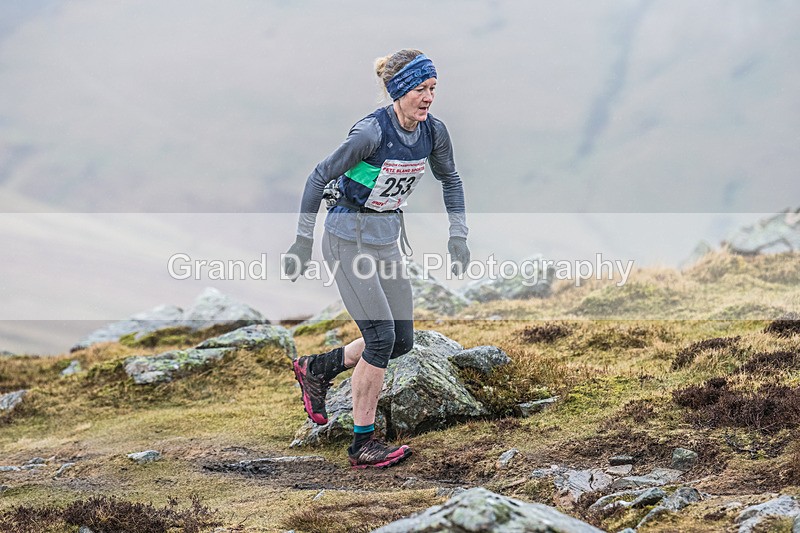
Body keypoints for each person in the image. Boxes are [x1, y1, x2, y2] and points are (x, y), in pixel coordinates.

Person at [283, 49, 469, 469]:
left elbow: (451, 179)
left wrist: (458, 234)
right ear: (400, 90)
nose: (429, 97)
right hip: (347, 240)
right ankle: (362, 444)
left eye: (433, 88)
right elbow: (319, 176)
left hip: (385, 241)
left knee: (401, 340)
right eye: (420, 89)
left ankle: (317, 368)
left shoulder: (433, 132)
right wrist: (302, 242)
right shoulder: (370, 133)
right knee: (381, 337)